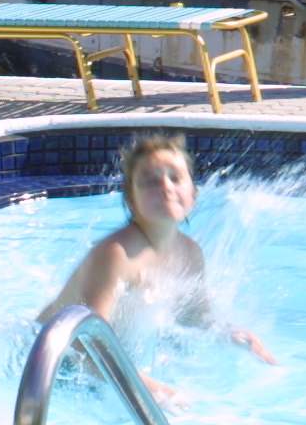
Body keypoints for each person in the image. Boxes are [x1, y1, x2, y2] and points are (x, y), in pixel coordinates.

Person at [41, 133, 274, 393]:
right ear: (131, 201)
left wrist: (233, 334)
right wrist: (148, 387)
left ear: (194, 194)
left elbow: (194, 316)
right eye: (150, 182)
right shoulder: (118, 254)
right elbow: (89, 343)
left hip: (95, 368)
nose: (166, 187)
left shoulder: (189, 252)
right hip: (48, 364)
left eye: (176, 178)